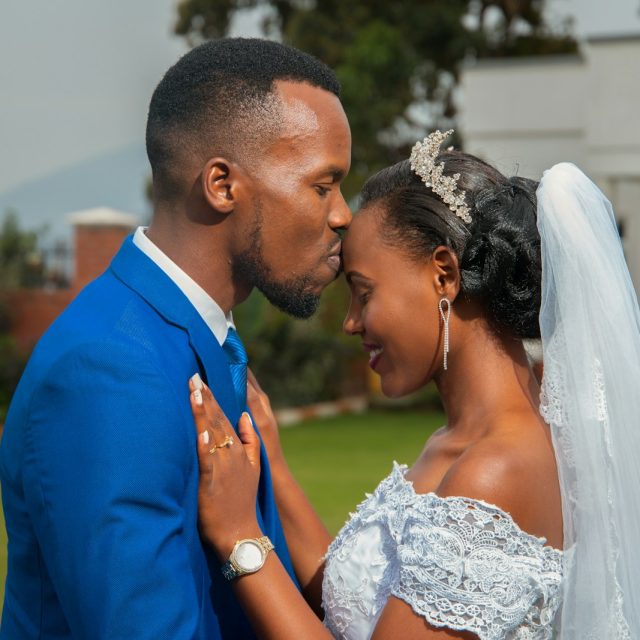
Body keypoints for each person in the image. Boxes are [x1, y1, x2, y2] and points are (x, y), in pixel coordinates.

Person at [188, 131, 640, 638]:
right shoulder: (462, 444)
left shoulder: (497, 469)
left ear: (444, 274)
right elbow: (355, 599)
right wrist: (271, 458)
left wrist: (240, 538)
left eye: (363, 293)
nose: (351, 323)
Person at [0, 38, 351, 639]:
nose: (343, 214)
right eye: (323, 185)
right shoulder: (108, 369)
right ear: (221, 184)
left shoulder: (194, 339)